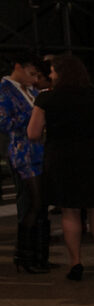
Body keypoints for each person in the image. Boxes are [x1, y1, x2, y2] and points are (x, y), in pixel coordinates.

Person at [27, 55, 94, 280]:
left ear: (61, 73)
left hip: (60, 159)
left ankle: (75, 263)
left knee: (69, 211)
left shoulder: (46, 99)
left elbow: (33, 133)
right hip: (91, 159)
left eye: (53, 71)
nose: (51, 75)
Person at [0, 53, 48, 273]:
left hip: (40, 150)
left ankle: (39, 256)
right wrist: (32, 115)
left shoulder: (31, 91)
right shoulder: (4, 90)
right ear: (18, 67)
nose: (35, 79)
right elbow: (3, 123)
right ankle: (24, 257)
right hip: (23, 153)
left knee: (40, 206)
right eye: (32, 74)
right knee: (34, 204)